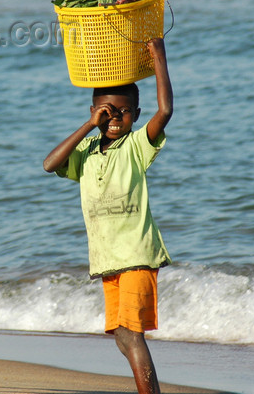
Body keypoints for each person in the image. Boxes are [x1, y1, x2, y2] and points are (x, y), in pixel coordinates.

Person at [43, 39, 174, 394]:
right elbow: (49, 164)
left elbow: (164, 112)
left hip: (136, 253)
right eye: (106, 111)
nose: (115, 118)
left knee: (132, 334)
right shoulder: (85, 151)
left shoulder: (136, 146)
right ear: (92, 110)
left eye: (124, 112)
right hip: (108, 258)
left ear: (135, 112)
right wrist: (88, 126)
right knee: (121, 335)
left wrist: (159, 60)